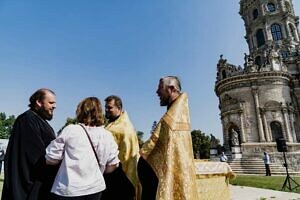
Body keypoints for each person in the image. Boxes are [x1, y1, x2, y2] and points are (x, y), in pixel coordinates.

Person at [45, 97, 120, 199]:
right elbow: (113, 164)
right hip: (95, 189)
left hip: (69, 189)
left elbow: (51, 159)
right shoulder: (107, 135)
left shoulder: (71, 130)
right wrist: (98, 171)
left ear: (80, 111)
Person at [138, 76, 199, 200]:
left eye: (160, 87)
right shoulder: (175, 111)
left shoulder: (174, 117)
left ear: (171, 89)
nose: (157, 91)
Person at [1, 88, 59, 200]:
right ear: (38, 102)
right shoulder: (27, 120)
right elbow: (35, 155)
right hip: (28, 187)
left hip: (38, 183)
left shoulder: (40, 121)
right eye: (51, 102)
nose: (54, 106)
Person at [103, 95, 140, 200]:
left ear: (119, 109)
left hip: (119, 179)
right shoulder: (113, 124)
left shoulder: (122, 129)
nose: (106, 110)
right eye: (106, 107)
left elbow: (125, 158)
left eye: (110, 107)